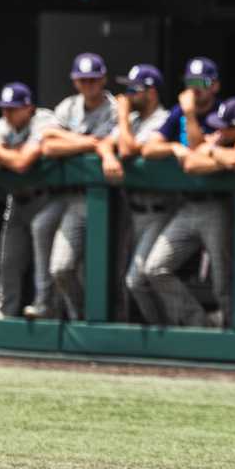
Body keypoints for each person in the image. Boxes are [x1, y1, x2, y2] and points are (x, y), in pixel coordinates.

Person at [141, 97, 235, 328]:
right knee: (154, 268)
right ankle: (200, 322)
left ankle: (231, 331)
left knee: (222, 280)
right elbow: (191, 164)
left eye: (224, 127)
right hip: (189, 207)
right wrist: (217, 153)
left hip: (220, 208)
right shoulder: (218, 142)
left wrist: (215, 153)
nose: (217, 131)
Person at [32, 52, 117, 320]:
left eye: (93, 80)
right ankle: (49, 304)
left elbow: (111, 144)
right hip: (67, 195)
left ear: (103, 79)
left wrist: (70, 141)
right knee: (40, 225)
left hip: (101, 198)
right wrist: (91, 142)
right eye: (82, 80)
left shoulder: (115, 109)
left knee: (71, 267)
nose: (88, 85)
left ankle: (82, 317)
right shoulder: (70, 105)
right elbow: (48, 142)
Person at [96, 64, 172, 325]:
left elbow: (127, 149)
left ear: (151, 92)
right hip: (133, 211)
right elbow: (107, 142)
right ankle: (158, 331)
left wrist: (123, 115)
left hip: (160, 209)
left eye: (134, 89)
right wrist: (107, 155)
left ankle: (168, 331)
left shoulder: (162, 120)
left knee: (137, 279)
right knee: (127, 280)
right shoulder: (135, 120)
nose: (127, 95)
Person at [0, 82, 59, 319]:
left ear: (29, 108)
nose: (7, 113)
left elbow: (22, 163)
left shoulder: (43, 120)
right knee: (8, 264)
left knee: (48, 266)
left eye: (13, 108)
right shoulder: (4, 124)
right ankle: (5, 318)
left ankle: (49, 314)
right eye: (4, 109)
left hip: (44, 199)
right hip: (17, 202)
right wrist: (11, 152)